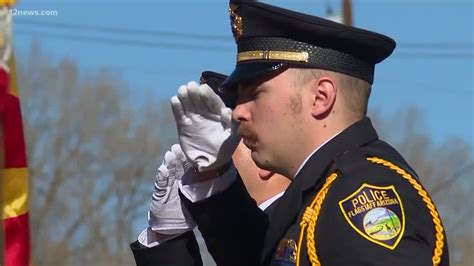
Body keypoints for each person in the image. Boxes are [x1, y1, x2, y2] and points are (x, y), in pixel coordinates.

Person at [171, 1, 449, 265]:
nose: (237, 112)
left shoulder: (359, 193)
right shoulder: (321, 193)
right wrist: (214, 175)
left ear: (320, 97)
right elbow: (255, 256)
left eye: (254, 93)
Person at [130, 71, 291, 266]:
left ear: (261, 153)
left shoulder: (299, 228)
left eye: (224, 138)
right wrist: (165, 235)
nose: (195, 158)